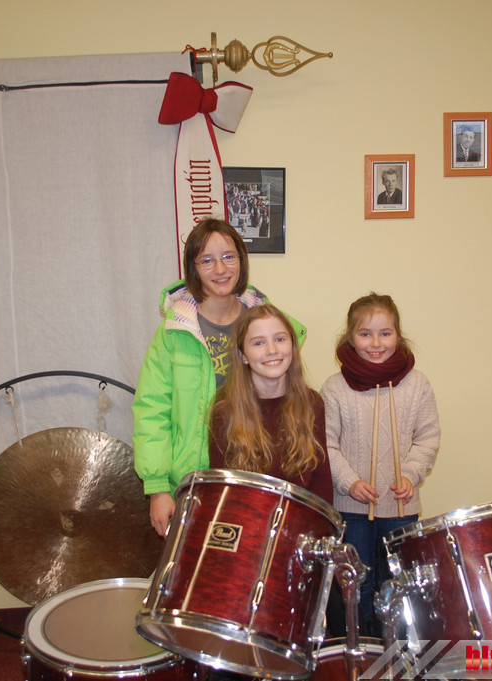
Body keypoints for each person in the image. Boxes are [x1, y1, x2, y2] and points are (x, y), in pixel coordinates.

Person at [132, 218, 306, 537]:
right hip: (193, 483)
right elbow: (151, 409)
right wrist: (157, 487)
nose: (220, 269)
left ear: (242, 260)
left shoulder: (265, 325)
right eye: (207, 260)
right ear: (194, 268)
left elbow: (289, 401)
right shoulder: (174, 331)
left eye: (228, 256)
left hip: (257, 478)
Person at [321, 293, 440, 638]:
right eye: (365, 334)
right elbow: (326, 445)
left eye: (385, 333)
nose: (376, 343)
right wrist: (349, 482)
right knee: (357, 583)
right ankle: (359, 648)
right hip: (351, 507)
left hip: (401, 505)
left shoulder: (417, 384)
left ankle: (397, 648)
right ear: (350, 338)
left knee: (397, 583)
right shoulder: (335, 388)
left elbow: (428, 438)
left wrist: (411, 474)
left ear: (398, 336)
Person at [208, 304, 332, 504]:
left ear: (292, 347)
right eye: (258, 343)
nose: (272, 350)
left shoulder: (312, 403)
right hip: (247, 519)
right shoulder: (224, 411)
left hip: (300, 520)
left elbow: (322, 484)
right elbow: (221, 492)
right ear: (243, 355)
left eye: (280, 339)